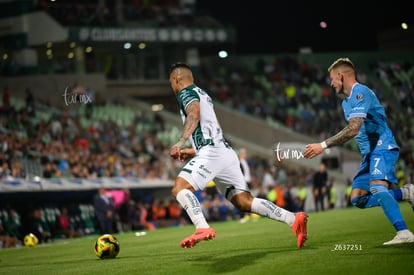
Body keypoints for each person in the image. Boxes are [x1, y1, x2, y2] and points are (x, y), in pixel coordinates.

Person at [168, 62, 308, 249]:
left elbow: (194, 114)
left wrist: (180, 142)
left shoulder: (185, 93)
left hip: (213, 152)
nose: (172, 87)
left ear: (176, 79)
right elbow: (214, 129)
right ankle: (292, 218)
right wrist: (194, 150)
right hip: (223, 152)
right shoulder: (204, 95)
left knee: (179, 188)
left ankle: (202, 227)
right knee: (244, 202)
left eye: (171, 83)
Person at [303, 57, 414, 245]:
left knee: (378, 188)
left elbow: (353, 129)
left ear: (340, 76)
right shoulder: (345, 103)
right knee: (358, 199)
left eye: (332, 78)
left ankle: (403, 232)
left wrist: (322, 145)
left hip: (382, 146)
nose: (331, 83)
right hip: (368, 154)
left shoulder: (361, 92)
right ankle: (406, 193)